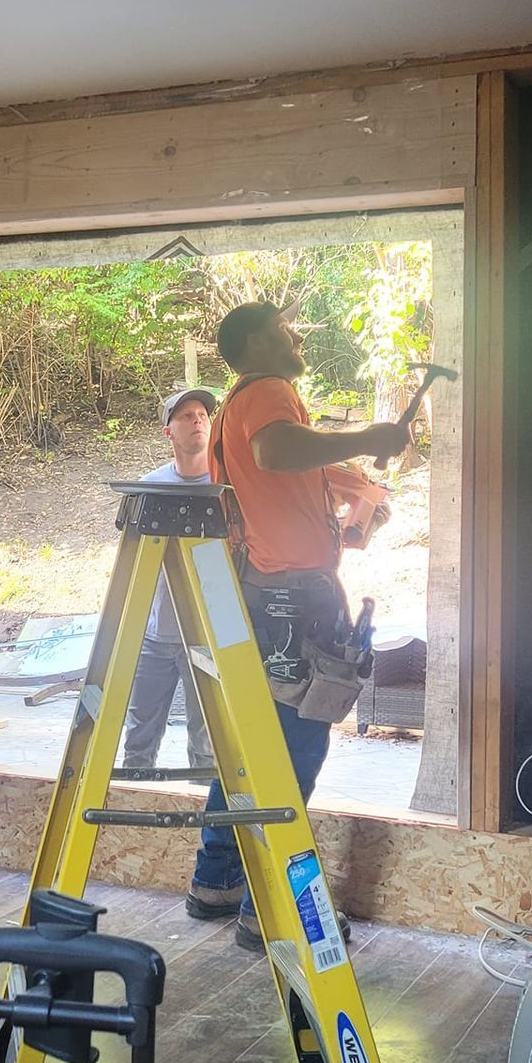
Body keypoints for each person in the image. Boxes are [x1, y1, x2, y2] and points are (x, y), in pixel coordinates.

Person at [186, 301, 409, 951]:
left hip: (267, 594)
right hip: (292, 605)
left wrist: (347, 524)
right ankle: (272, 909)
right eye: (284, 330)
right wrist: (367, 437)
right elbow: (277, 449)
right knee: (292, 750)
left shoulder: (241, 405)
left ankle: (218, 880)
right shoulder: (267, 390)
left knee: (253, 745)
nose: (295, 338)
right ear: (255, 342)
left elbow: (279, 487)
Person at [120, 388, 218, 774]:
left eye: (203, 414)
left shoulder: (228, 485)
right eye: (186, 415)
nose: (197, 420)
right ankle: (133, 799)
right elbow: (131, 559)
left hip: (212, 635)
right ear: (168, 432)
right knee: (139, 740)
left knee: (210, 745)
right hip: (156, 635)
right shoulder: (150, 486)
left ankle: (204, 808)